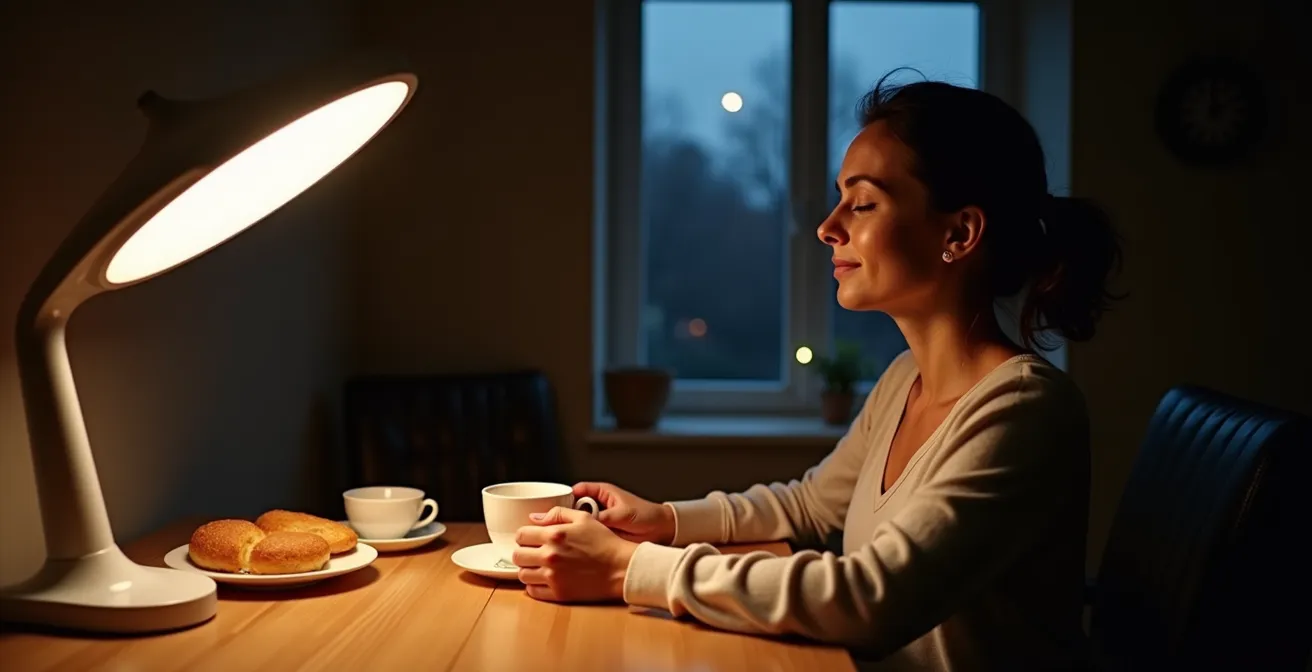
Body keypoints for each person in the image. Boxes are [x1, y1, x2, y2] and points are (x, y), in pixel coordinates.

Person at [511, 75, 1123, 670]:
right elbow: (810, 507)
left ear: (959, 233)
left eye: (863, 203)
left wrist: (627, 568)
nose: (828, 227)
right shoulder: (904, 381)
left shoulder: (1023, 410)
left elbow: (872, 597)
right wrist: (662, 521)